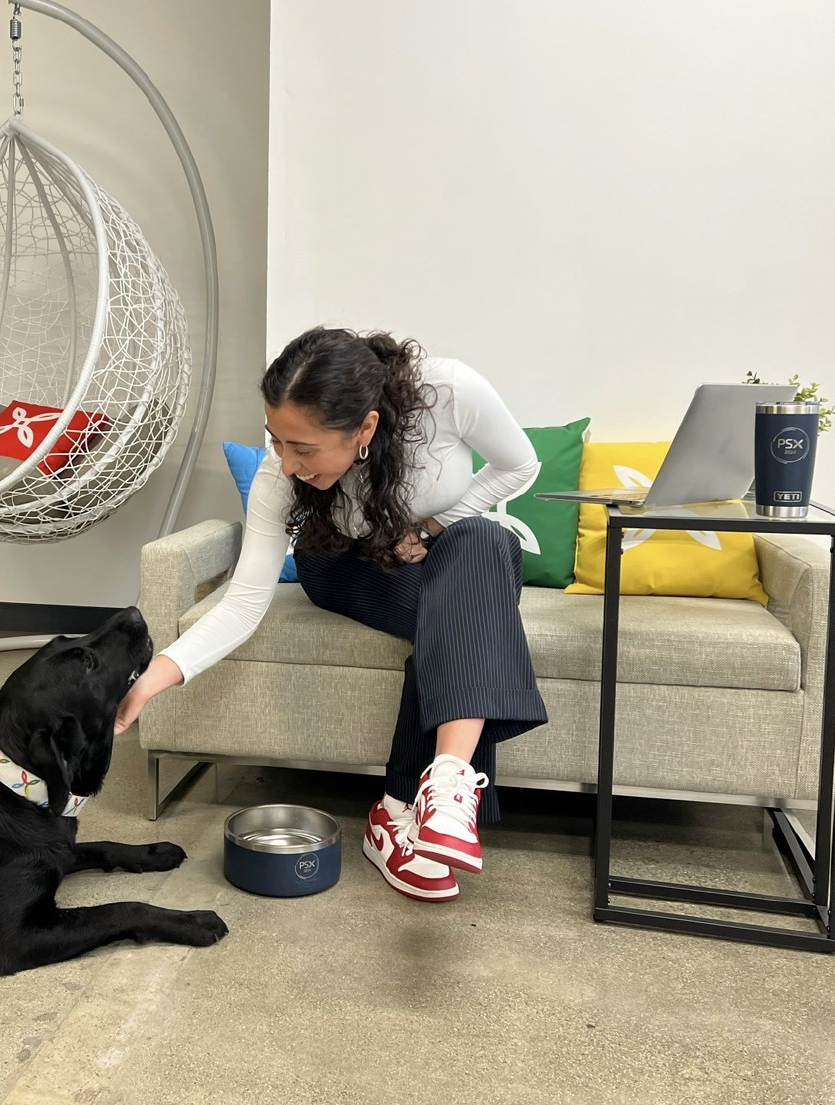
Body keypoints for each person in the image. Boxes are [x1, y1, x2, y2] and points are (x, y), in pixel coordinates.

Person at [116, 327, 549, 903]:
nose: (288, 463)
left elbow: (519, 465)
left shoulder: (448, 392)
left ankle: (434, 793)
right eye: (277, 440)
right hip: (341, 570)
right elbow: (245, 602)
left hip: (429, 562)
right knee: (462, 616)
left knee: (485, 545)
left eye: (305, 448)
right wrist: (155, 676)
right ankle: (403, 814)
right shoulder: (280, 478)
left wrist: (423, 528)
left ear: (365, 428)